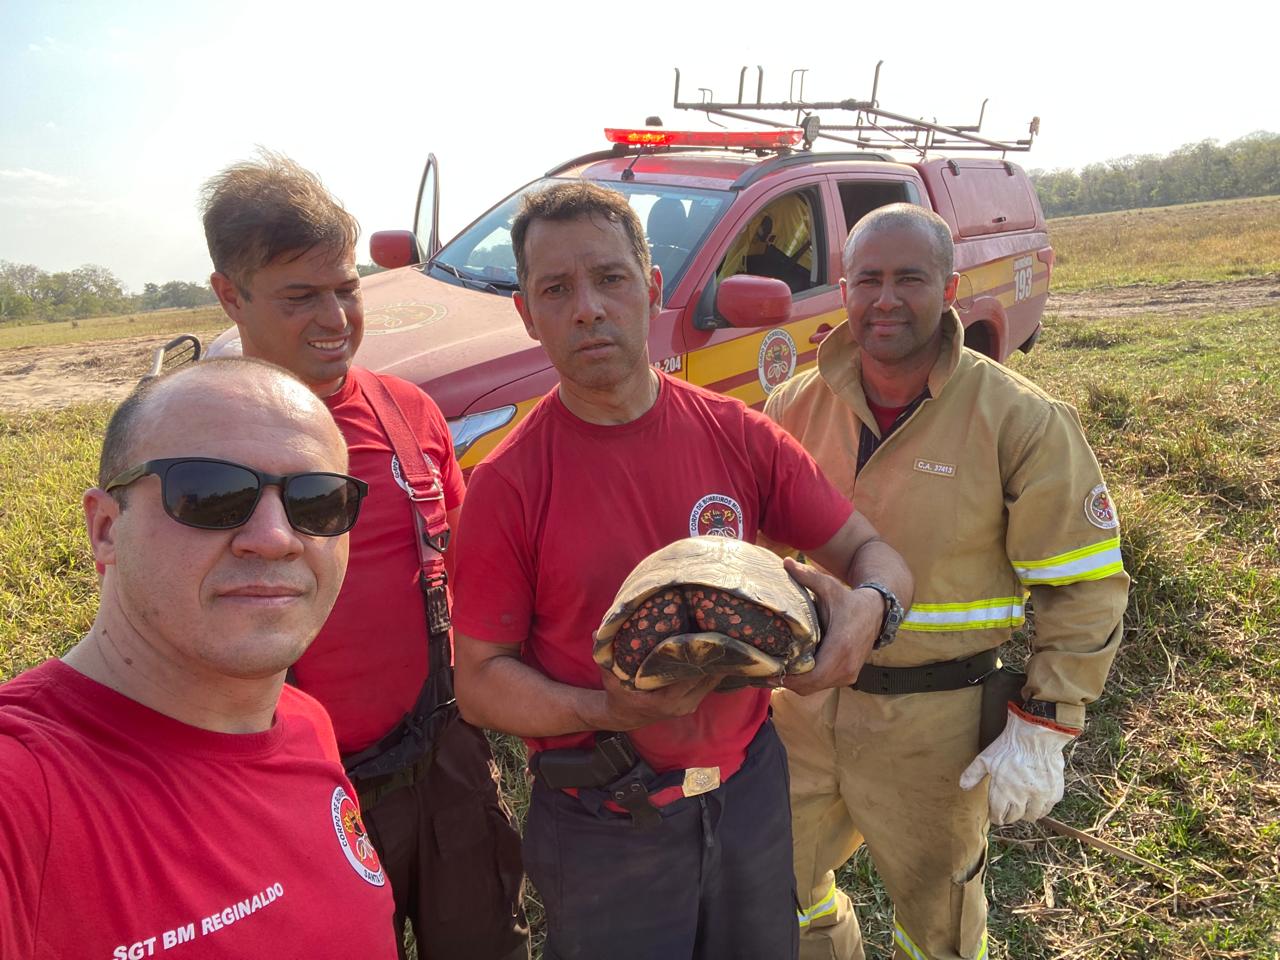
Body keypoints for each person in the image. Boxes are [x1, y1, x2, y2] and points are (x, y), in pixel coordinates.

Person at [449, 181, 914, 960]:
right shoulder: (506, 485)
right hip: (604, 814)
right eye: (556, 289)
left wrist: (868, 609)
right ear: (528, 315)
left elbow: (880, 557)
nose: (588, 308)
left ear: (652, 289)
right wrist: (607, 708)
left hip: (748, 793)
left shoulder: (737, 434)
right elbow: (480, 680)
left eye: (610, 278)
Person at [765, 203, 1130, 960]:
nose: (886, 299)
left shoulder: (1018, 418)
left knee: (939, 922)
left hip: (937, 721)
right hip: (802, 707)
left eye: (910, 279)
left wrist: (1047, 719)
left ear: (950, 288)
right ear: (843, 289)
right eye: (868, 279)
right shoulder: (794, 405)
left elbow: (1085, 583)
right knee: (780, 886)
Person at [203, 153, 527, 960]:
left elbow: (474, 568)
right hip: (292, 789)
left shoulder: (405, 410)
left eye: (345, 289)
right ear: (229, 296)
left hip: (446, 757)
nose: (334, 318)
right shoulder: (195, 444)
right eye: (300, 296)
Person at [0, 359, 400, 958]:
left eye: (317, 501)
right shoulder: (25, 796)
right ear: (106, 528)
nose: (274, 537)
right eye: (212, 493)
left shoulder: (302, 724)